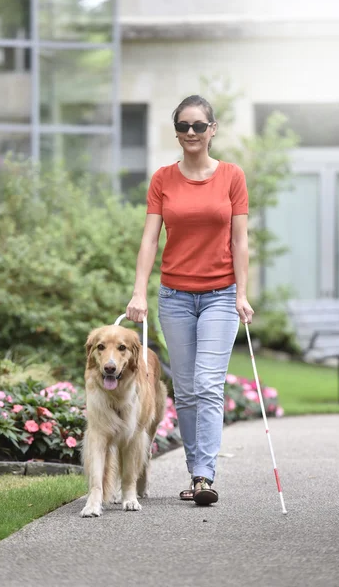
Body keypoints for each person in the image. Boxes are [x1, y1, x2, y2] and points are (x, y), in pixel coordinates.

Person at [126, 94, 254, 506]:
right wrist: (138, 291)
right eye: (184, 126)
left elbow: (240, 241)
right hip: (176, 297)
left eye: (200, 125)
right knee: (185, 389)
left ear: (213, 130)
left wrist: (242, 294)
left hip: (220, 296)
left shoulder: (232, 176)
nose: (192, 133)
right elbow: (149, 239)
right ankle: (196, 471)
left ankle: (203, 475)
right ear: (176, 131)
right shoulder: (163, 179)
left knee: (207, 384)